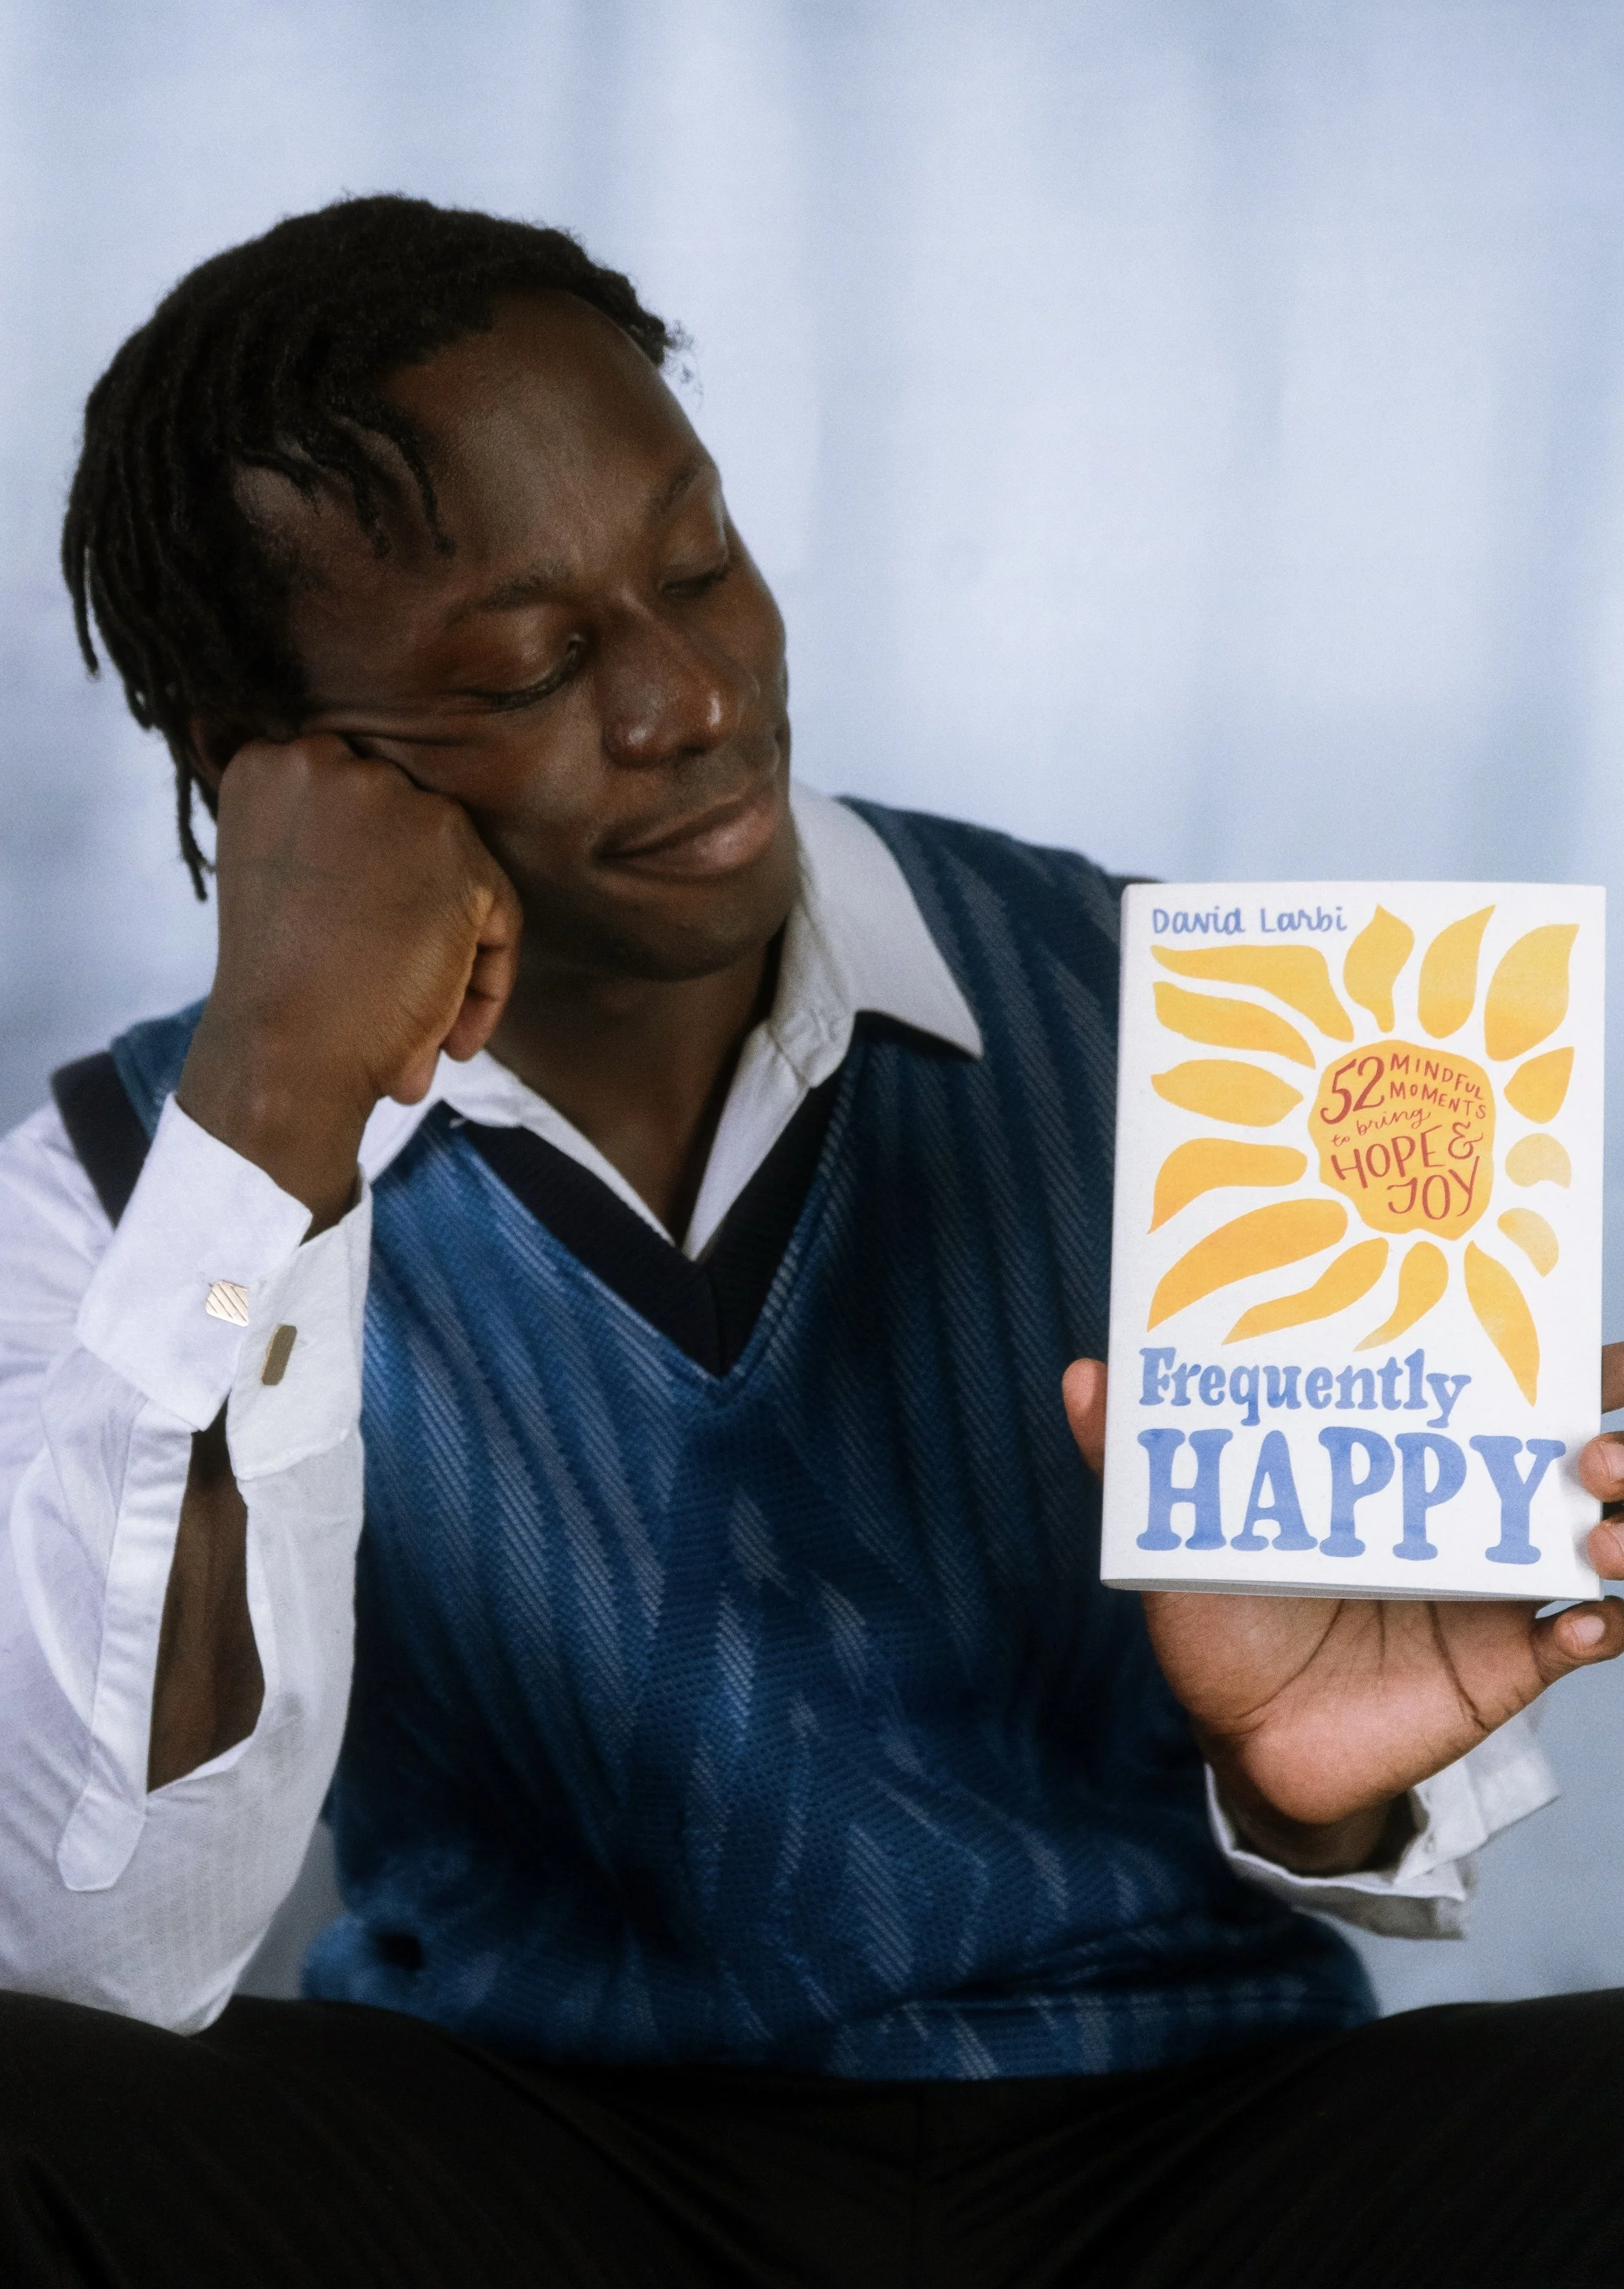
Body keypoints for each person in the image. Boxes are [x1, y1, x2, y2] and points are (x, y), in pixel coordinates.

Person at [0, 194, 1621, 2288]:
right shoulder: (135, 1174)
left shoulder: (1196, 1022)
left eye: (698, 564)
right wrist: (278, 1114)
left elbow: (1376, 1809)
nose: (688, 697)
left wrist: (1305, 1794)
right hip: (541, 2173)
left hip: (1188, 2139)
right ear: (284, 760)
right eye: (531, 661)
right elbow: (95, 1945)